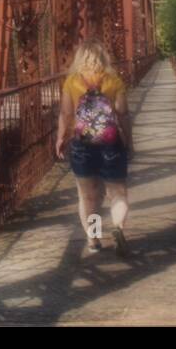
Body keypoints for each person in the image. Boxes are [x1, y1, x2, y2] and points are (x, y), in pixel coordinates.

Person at [54, 41, 133, 255]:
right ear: (103, 57)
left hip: (82, 146)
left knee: (88, 196)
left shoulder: (72, 82)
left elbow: (66, 114)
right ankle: (117, 228)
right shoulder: (113, 81)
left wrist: (61, 137)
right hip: (110, 143)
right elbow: (123, 113)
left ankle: (95, 239)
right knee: (117, 192)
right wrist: (129, 139)